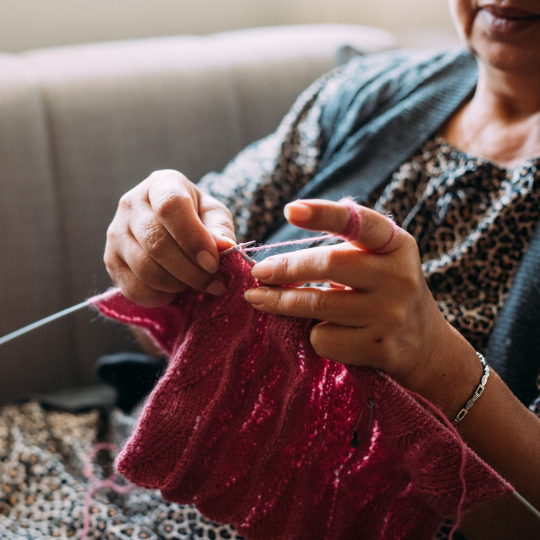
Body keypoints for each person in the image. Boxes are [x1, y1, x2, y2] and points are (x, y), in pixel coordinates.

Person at [103, 1, 540, 538]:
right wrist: (156, 257)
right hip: (123, 482)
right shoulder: (364, 94)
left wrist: (436, 361)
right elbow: (155, 325)